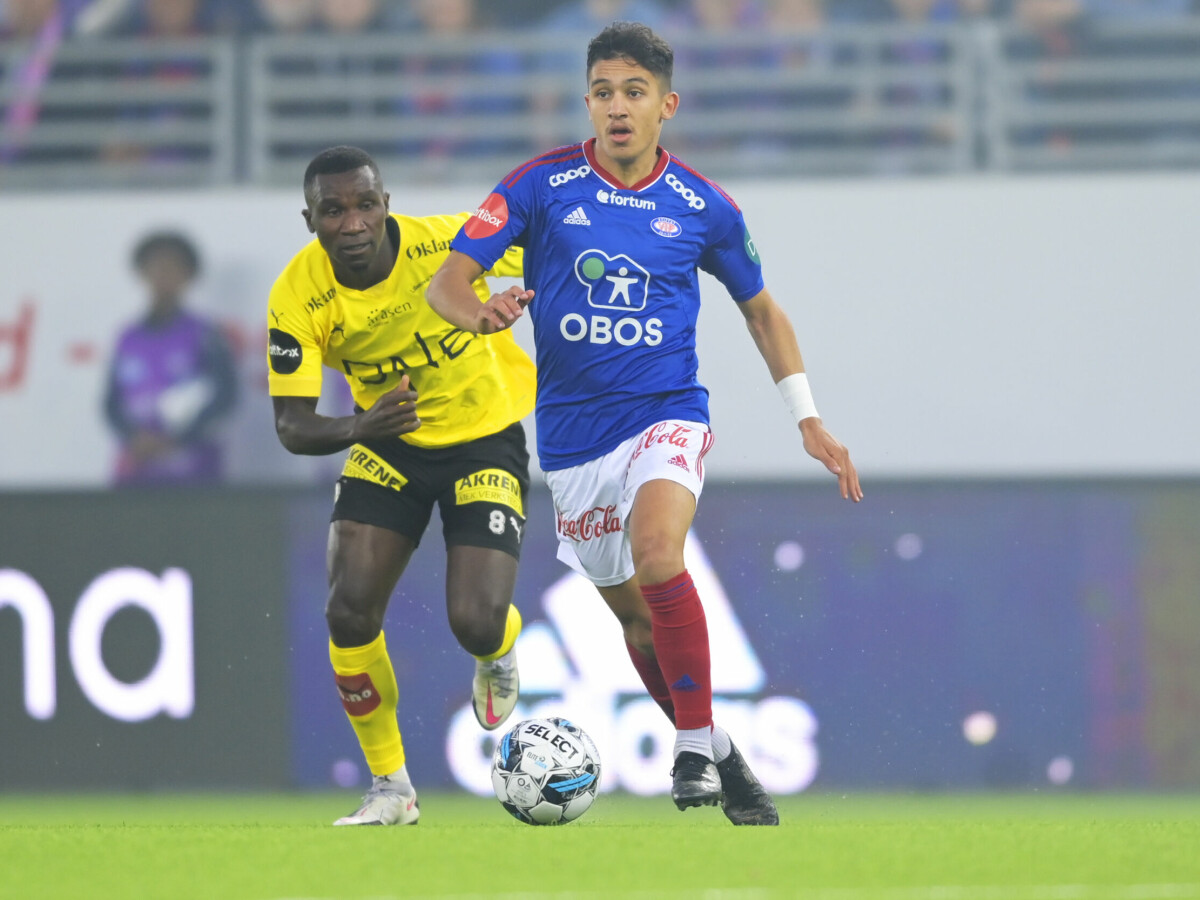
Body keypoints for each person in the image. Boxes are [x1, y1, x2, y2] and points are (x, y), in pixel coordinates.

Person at [428, 21, 862, 825]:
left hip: (667, 414)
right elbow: (447, 283)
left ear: (668, 105)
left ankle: (689, 748)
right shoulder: (538, 186)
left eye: (634, 92)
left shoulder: (703, 205)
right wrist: (480, 313)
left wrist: (808, 418)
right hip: (572, 443)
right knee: (636, 620)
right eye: (603, 93)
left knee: (661, 554)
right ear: (587, 102)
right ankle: (720, 749)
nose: (617, 108)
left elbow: (762, 312)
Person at [267, 145, 535, 826]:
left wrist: (521, 299)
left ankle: (499, 648)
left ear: (387, 205)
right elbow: (292, 425)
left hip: (483, 436)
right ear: (310, 220)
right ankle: (391, 787)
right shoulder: (298, 295)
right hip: (387, 441)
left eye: (365, 205)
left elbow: (548, 255)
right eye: (333, 210)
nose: (353, 222)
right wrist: (362, 426)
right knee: (347, 610)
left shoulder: (446, 244)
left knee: (475, 623)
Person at [103, 229, 238, 486]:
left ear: (188, 275)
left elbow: (226, 397)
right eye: (155, 267)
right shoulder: (128, 338)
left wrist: (178, 439)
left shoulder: (205, 335)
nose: (163, 275)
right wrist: (133, 438)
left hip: (194, 472)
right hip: (136, 472)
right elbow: (111, 403)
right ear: (142, 273)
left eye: (172, 268)